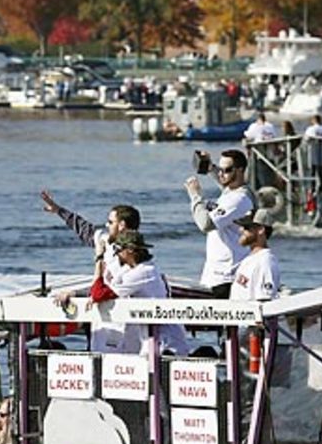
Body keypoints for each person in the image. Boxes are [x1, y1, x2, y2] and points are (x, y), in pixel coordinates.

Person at [63, 231, 189, 355]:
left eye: (118, 250)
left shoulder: (142, 273)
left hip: (166, 343)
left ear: (130, 250)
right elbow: (102, 289)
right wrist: (75, 293)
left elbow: (98, 294)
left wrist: (99, 259)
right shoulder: (141, 269)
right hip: (152, 339)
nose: (117, 255)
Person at [185, 149, 254, 297]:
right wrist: (210, 167)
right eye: (220, 169)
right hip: (216, 275)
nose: (221, 174)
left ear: (240, 170)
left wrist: (196, 196)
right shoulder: (231, 191)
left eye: (226, 170)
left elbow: (205, 224)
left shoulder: (239, 199)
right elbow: (224, 181)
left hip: (227, 277)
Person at [40, 189, 141, 261]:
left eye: (111, 222)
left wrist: (99, 257)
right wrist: (58, 210)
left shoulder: (132, 255)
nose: (107, 225)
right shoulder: (106, 241)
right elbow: (83, 228)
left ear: (122, 225)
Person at [230, 209, 280, 301]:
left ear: (261, 230)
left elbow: (265, 302)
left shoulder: (265, 262)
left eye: (246, 227)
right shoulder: (251, 258)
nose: (240, 230)